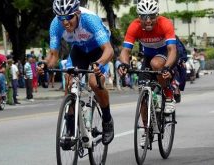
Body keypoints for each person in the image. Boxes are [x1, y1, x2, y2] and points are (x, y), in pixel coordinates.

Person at [47, 0, 114, 145]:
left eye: (69, 17)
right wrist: (43, 65)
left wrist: (99, 63)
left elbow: (109, 50)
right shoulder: (55, 25)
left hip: (98, 50)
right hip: (79, 51)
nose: (65, 22)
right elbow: (53, 55)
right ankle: (70, 129)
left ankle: (107, 120)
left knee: (95, 83)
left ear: (77, 13)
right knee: (70, 82)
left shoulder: (90, 20)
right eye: (61, 18)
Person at [118, 0, 177, 114]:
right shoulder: (134, 27)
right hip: (149, 56)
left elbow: (172, 49)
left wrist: (167, 67)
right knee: (142, 92)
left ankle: (168, 93)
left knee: (156, 64)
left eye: (151, 16)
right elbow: (125, 50)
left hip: (166, 53)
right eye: (144, 17)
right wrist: (125, 64)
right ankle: (146, 130)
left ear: (157, 15)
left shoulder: (165, 23)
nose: (148, 21)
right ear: (139, 17)